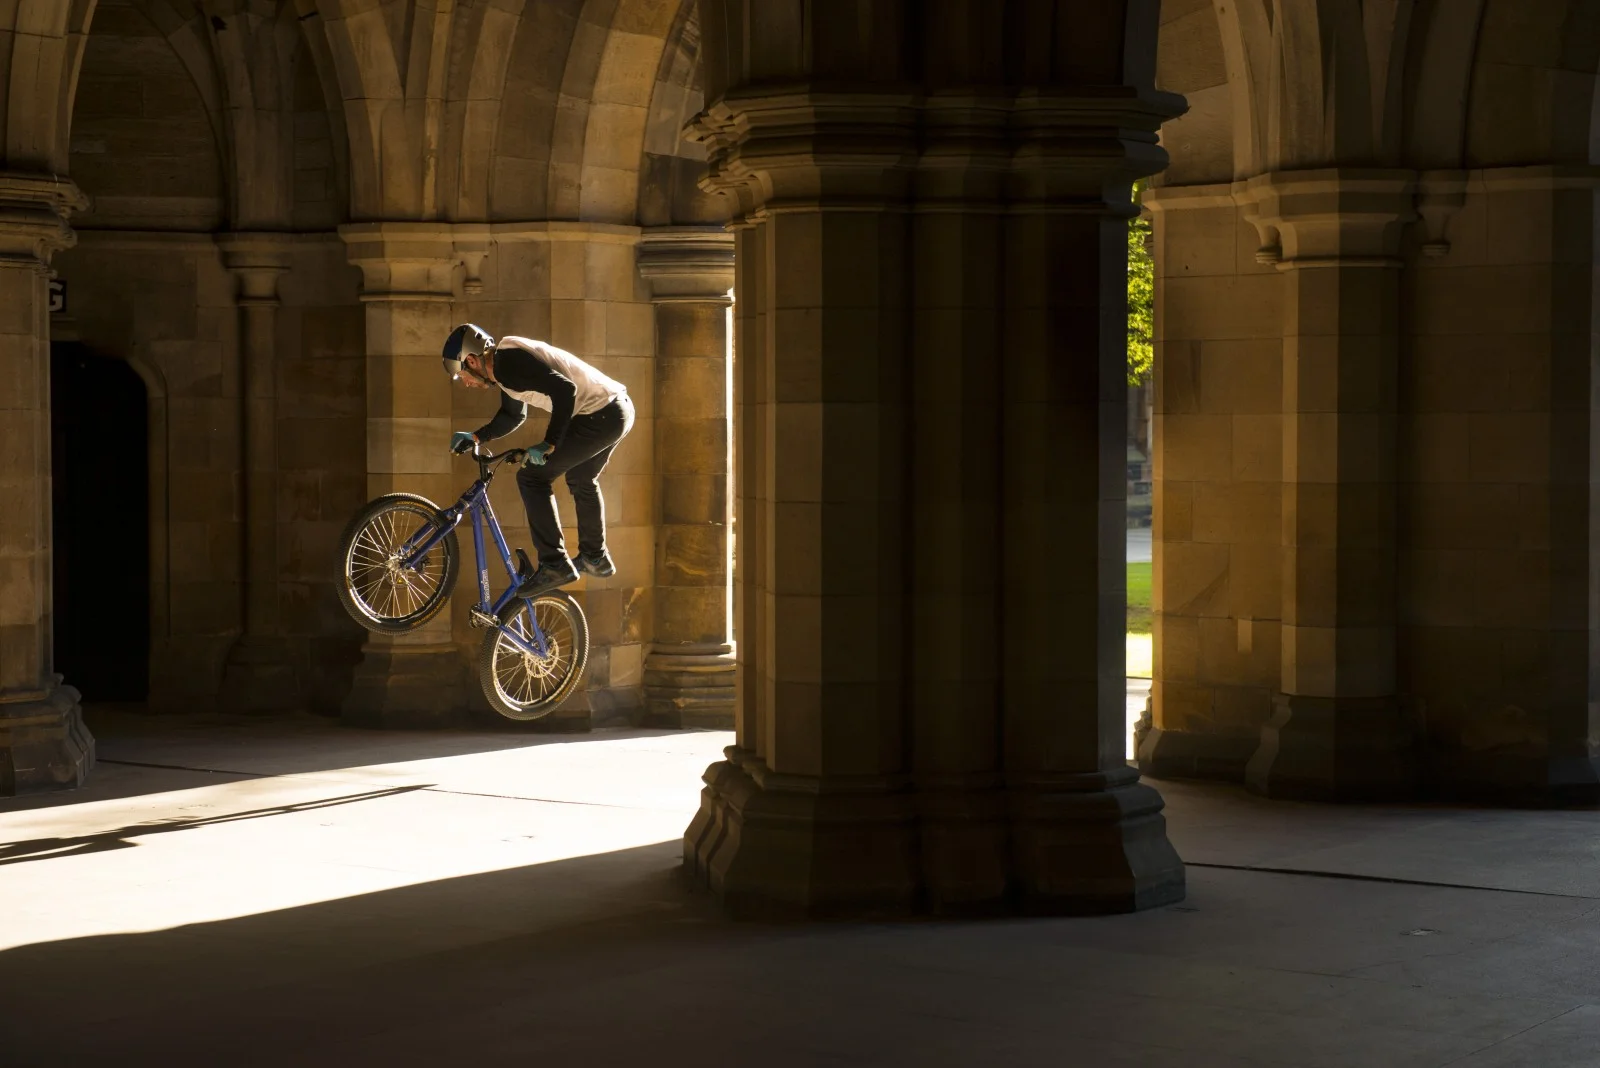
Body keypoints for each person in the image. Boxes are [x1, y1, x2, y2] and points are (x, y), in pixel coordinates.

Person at [442, 323, 634, 597]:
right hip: (616, 411)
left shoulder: (508, 364)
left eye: (463, 376)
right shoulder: (506, 370)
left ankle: (554, 563)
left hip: (601, 415)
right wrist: (475, 437)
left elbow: (565, 390)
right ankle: (595, 557)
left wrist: (549, 443)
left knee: (531, 477)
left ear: (471, 360)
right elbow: (513, 416)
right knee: (581, 478)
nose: (467, 384)